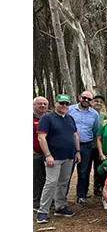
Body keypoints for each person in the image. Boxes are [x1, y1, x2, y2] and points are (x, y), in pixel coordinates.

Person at [36, 94, 81, 223]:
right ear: (55, 103)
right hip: (53, 158)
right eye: (61, 103)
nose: (64, 106)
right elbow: (41, 137)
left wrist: (77, 152)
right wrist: (48, 155)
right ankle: (43, 211)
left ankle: (60, 207)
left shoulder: (70, 118)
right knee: (51, 183)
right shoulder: (47, 118)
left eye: (66, 104)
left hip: (68, 156)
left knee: (64, 182)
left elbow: (75, 136)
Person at [67, 91, 100, 204]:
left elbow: (95, 130)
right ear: (79, 97)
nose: (86, 100)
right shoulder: (70, 110)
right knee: (67, 172)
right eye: (84, 98)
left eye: (89, 99)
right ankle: (62, 197)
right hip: (70, 145)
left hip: (86, 145)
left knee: (84, 172)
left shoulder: (94, 114)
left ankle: (81, 196)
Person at [33, 96, 49, 213]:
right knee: (37, 178)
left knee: (48, 178)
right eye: (40, 104)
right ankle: (35, 201)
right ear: (34, 105)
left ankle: (47, 200)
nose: (43, 106)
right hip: (35, 153)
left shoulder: (49, 117)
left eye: (45, 104)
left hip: (48, 153)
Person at [90, 94, 107, 196]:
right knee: (85, 170)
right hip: (88, 145)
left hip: (99, 147)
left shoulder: (104, 116)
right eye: (96, 101)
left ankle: (97, 189)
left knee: (99, 169)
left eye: (101, 102)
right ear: (92, 102)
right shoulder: (87, 113)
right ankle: (82, 193)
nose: (98, 103)